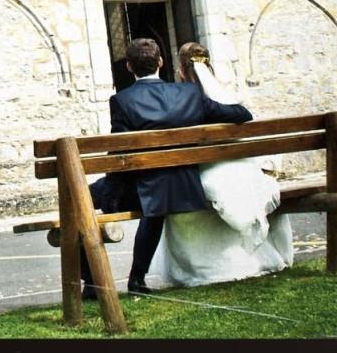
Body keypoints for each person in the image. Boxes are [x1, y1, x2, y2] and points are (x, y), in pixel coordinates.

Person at [80, 38, 252, 299]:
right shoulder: (189, 95)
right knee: (156, 198)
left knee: (77, 199)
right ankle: (136, 279)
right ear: (161, 62)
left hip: (141, 190)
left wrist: (110, 194)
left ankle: (92, 283)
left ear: (129, 67)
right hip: (182, 187)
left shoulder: (122, 101)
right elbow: (241, 114)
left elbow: (119, 155)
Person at [146, 42, 295, 289]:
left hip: (206, 176)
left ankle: (204, 266)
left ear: (181, 70)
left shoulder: (182, 100)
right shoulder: (227, 97)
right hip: (243, 173)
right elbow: (246, 119)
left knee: (182, 184)